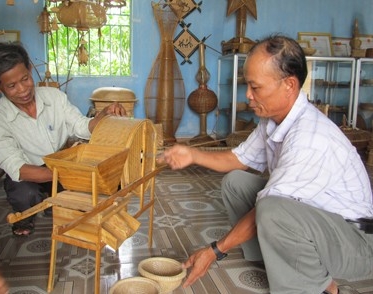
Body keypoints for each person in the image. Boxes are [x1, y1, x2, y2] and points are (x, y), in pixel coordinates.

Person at [159, 35, 373, 294]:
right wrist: (192, 155)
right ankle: (282, 263)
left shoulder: (311, 138)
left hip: (356, 242)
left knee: (272, 211)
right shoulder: (273, 119)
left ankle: (306, 283)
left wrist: (215, 250)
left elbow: (270, 208)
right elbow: (237, 159)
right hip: (319, 223)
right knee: (237, 183)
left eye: (255, 87)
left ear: (289, 85)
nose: (248, 95)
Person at [0, 42, 126, 237]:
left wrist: (104, 115)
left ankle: (54, 201)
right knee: (26, 195)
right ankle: (24, 218)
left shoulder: (54, 97)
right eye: (12, 86)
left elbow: (82, 127)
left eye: (25, 79)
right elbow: (17, 168)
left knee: (106, 182)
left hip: (59, 164)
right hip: (29, 174)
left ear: (30, 70)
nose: (23, 89)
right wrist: (73, 174)